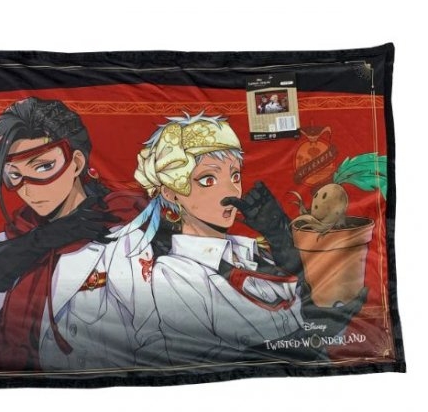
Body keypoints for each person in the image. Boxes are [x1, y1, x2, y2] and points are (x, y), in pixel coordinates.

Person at [113, 112, 365, 365]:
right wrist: (314, 335)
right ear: (171, 193)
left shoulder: (252, 253)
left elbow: (302, 309)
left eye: (235, 176)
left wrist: (281, 239)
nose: (231, 191)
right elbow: (204, 360)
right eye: (208, 179)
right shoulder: (174, 273)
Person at [0, 97, 165, 373]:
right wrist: (44, 239)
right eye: (14, 175)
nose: (29, 189)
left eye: (44, 167)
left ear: (76, 163)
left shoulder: (124, 234)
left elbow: (156, 334)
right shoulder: (17, 236)